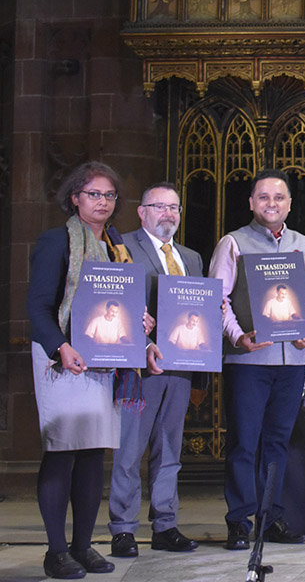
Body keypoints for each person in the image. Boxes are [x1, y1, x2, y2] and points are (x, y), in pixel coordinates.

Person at [27, 161, 153, 579]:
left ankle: (83, 546)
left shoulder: (119, 249)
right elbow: (38, 307)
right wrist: (60, 346)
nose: (102, 201)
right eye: (93, 194)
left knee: (92, 455)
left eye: (109, 195)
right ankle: (56, 551)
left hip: (105, 362)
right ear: (75, 197)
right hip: (63, 359)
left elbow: (123, 306)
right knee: (63, 452)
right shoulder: (56, 241)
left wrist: (142, 323)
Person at [210, 169, 305, 550]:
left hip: (292, 361)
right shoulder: (233, 243)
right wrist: (236, 336)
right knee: (244, 443)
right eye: (264, 197)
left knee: (277, 443)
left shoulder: (302, 245)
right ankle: (239, 521)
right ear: (251, 202)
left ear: (289, 203)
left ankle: (271, 517)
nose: (271, 204)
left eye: (279, 198)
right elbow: (217, 298)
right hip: (248, 362)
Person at [109, 182, 204, 558]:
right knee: (129, 450)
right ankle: (123, 529)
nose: (168, 214)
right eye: (160, 206)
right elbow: (114, 301)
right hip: (140, 367)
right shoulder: (123, 247)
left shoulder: (192, 258)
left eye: (174, 208)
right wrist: (143, 342)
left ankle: (165, 525)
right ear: (141, 211)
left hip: (180, 367)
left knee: (169, 450)